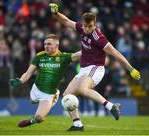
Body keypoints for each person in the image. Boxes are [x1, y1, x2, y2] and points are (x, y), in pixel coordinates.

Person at [49, 3, 141, 131]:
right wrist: (55, 12)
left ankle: (111, 107)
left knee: (82, 89)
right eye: (85, 26)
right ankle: (77, 125)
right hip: (84, 69)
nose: (87, 29)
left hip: (96, 67)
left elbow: (115, 52)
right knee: (67, 95)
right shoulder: (81, 27)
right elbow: (65, 21)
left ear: (95, 24)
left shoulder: (99, 37)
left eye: (90, 26)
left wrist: (131, 69)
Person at [9, 34, 81, 128]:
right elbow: (27, 74)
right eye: (45, 44)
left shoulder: (63, 57)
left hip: (48, 95)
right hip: (36, 89)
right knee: (32, 100)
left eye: (49, 44)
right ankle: (36, 102)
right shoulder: (39, 56)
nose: (46, 46)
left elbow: (77, 55)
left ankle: (31, 121)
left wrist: (92, 48)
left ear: (56, 46)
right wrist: (20, 81)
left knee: (39, 118)